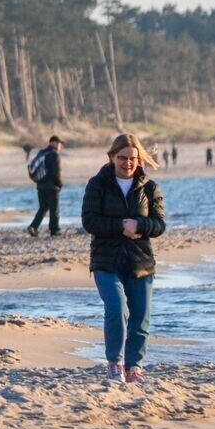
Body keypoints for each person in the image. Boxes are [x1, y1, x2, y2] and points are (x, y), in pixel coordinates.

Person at [82, 131, 166, 384]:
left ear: (140, 159)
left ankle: (135, 367)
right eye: (122, 157)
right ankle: (114, 363)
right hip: (105, 260)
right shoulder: (97, 184)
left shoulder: (150, 188)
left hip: (140, 261)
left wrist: (139, 225)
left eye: (133, 158)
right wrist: (121, 226)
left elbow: (159, 225)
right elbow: (89, 221)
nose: (128, 163)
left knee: (140, 316)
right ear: (111, 157)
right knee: (117, 310)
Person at [26, 135, 63, 237]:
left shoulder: (42, 153)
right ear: (54, 143)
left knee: (43, 207)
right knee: (54, 208)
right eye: (59, 144)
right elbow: (55, 172)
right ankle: (54, 230)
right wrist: (59, 184)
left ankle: (34, 226)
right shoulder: (54, 155)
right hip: (51, 186)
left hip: (40, 186)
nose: (60, 146)